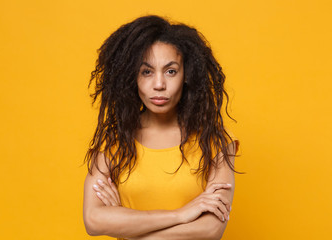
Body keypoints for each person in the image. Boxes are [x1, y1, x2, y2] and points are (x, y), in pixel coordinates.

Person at [82, 15, 241, 240]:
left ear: (186, 75)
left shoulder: (215, 141)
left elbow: (211, 229)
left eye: (171, 71)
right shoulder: (115, 141)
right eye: (146, 72)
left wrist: (128, 229)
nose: (159, 85)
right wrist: (181, 215)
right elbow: (93, 221)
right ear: (132, 76)